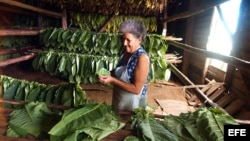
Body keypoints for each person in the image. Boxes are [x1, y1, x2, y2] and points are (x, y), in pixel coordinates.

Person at [98, 20, 150, 111]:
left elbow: (136, 89)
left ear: (139, 40)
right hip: (120, 100)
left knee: (129, 124)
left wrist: (113, 80)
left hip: (133, 104)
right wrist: (107, 74)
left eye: (128, 40)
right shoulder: (126, 51)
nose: (124, 43)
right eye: (123, 39)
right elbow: (119, 70)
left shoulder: (142, 58)